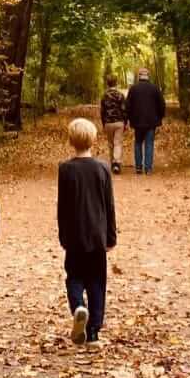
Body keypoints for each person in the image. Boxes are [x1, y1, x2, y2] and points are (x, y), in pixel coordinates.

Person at [57, 118, 117, 345]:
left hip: (74, 237)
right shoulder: (102, 168)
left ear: (71, 141)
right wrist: (111, 236)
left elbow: (62, 205)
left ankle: (78, 307)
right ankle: (93, 332)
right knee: (97, 282)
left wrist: (63, 235)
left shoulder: (66, 170)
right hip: (97, 236)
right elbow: (109, 204)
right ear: (93, 139)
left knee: (74, 277)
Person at [125, 67, 165, 175]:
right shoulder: (155, 88)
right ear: (148, 76)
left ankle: (138, 167)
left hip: (137, 121)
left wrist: (129, 118)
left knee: (138, 143)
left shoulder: (133, 89)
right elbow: (162, 104)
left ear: (139, 76)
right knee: (149, 144)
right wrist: (160, 117)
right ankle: (148, 168)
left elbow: (127, 106)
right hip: (151, 121)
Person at [99, 75, 129, 174]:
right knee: (118, 143)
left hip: (108, 123)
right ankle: (117, 163)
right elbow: (124, 110)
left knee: (111, 144)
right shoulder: (120, 95)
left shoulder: (104, 96)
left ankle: (113, 163)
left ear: (107, 83)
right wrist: (126, 122)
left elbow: (102, 111)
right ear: (116, 83)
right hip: (119, 122)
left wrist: (103, 124)